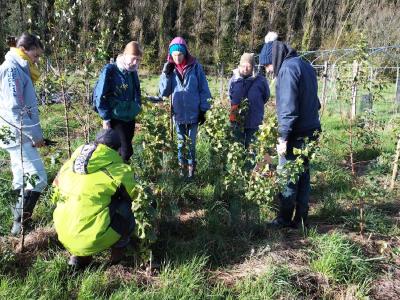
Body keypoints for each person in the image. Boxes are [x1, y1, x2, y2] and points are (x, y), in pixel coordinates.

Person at [52, 129, 137, 268]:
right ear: (117, 150)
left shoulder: (68, 165)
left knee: (77, 204)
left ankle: (78, 258)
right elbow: (136, 195)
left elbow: (55, 190)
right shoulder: (119, 170)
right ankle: (116, 260)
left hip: (63, 233)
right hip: (92, 238)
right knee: (128, 207)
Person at [263, 36, 321, 228]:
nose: (268, 70)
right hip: (311, 130)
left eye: (267, 65)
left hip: (295, 134)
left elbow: (288, 108)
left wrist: (283, 137)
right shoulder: (306, 66)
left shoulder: (287, 70)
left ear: (275, 59)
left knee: (287, 175)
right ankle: (301, 219)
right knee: (303, 175)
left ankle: (284, 219)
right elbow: (316, 102)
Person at [0, 32, 47, 235]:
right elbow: (15, 109)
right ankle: (20, 224)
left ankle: (15, 228)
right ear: (23, 50)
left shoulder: (19, 69)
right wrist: (34, 135)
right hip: (18, 134)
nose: (36, 60)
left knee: (21, 179)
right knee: (38, 178)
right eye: (35, 55)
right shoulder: (12, 70)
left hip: (19, 133)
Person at [159, 37, 211, 178]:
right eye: (174, 55)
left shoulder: (195, 67)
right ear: (171, 54)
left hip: (194, 113)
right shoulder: (170, 68)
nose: (177, 58)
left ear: (185, 53)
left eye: (180, 54)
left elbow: (204, 89)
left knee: (191, 144)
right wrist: (166, 75)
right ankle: (182, 171)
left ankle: (191, 172)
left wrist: (203, 110)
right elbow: (164, 92)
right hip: (178, 113)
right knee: (181, 143)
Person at [93, 41, 143, 163]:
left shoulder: (132, 72)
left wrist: (136, 107)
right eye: (134, 58)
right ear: (125, 55)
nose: (136, 63)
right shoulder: (111, 70)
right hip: (116, 118)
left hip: (129, 117)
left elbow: (136, 91)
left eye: (138, 60)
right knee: (124, 151)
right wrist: (106, 118)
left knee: (125, 150)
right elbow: (100, 95)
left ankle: (122, 176)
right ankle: (121, 177)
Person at [228, 52, 270, 149]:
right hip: (237, 121)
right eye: (243, 66)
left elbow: (266, 96)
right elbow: (230, 96)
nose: (245, 69)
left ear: (253, 67)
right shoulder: (233, 80)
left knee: (252, 150)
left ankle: (251, 164)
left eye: (249, 66)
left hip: (254, 121)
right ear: (239, 66)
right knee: (237, 150)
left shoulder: (261, 81)